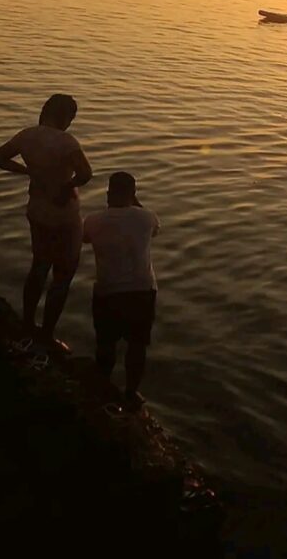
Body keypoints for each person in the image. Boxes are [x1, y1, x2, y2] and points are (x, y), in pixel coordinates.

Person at [0, 94, 92, 349]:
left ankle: (27, 323)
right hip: (64, 214)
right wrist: (66, 186)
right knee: (63, 274)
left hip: (37, 209)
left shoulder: (26, 135)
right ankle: (46, 334)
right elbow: (85, 174)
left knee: (39, 266)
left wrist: (28, 171)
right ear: (66, 117)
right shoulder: (66, 142)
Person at [83, 172, 160, 410]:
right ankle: (131, 393)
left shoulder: (93, 220)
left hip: (107, 292)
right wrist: (134, 202)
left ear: (108, 193)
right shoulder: (147, 218)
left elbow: (85, 239)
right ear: (133, 194)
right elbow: (155, 231)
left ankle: (104, 388)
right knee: (137, 346)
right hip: (142, 291)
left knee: (105, 344)